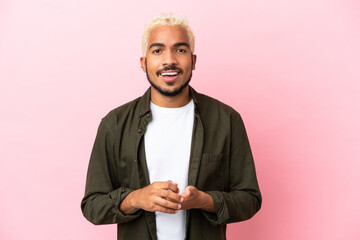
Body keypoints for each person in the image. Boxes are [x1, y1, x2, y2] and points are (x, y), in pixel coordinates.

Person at [81, 13, 261, 240]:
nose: (169, 60)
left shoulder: (226, 120)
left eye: (180, 50)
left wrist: (205, 201)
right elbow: (92, 206)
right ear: (143, 63)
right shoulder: (114, 124)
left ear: (193, 60)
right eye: (157, 50)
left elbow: (250, 198)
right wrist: (136, 198)